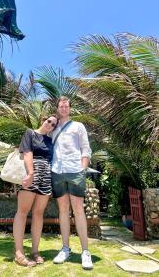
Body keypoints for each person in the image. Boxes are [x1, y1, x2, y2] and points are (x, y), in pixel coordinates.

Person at [51, 96, 93, 270]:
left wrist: (82, 169)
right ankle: (65, 249)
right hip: (57, 171)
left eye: (66, 106)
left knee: (78, 210)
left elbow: (85, 148)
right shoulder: (52, 127)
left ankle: (85, 252)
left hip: (75, 170)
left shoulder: (78, 126)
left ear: (70, 108)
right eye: (61, 106)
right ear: (57, 108)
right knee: (63, 210)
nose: (63, 108)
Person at [13, 115, 58, 267]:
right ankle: (19, 253)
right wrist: (31, 173)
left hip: (46, 176)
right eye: (49, 121)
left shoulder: (50, 141)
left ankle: (35, 251)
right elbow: (27, 153)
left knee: (39, 213)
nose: (50, 125)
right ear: (43, 120)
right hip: (31, 172)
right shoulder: (30, 133)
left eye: (53, 125)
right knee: (22, 212)